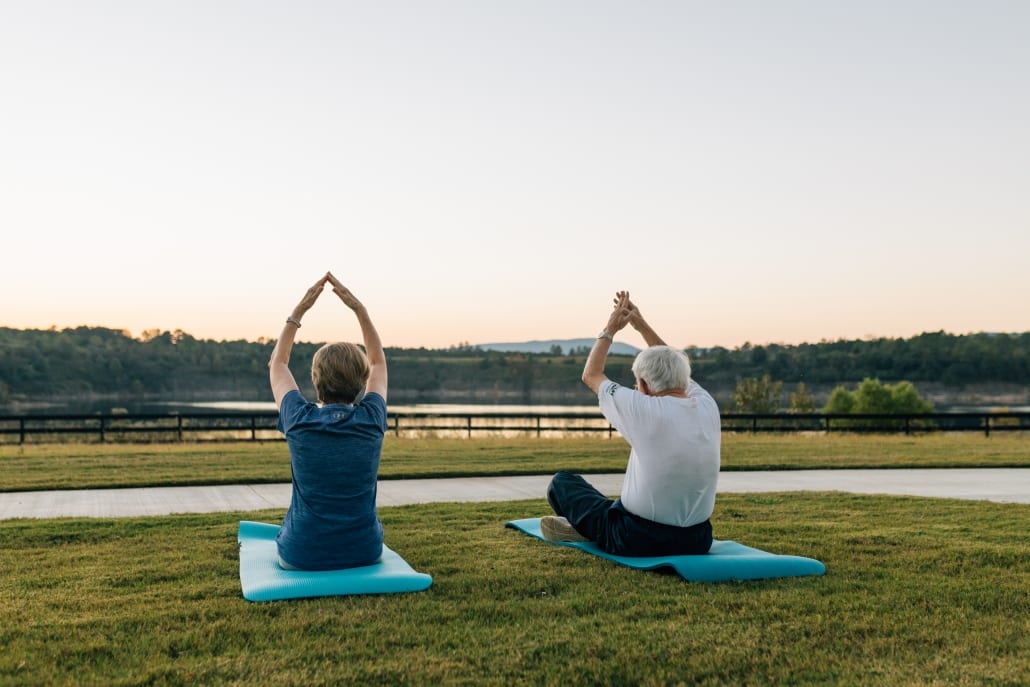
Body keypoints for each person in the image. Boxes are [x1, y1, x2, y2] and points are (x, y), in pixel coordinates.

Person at [541, 291, 721, 556]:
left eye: (637, 384)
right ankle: (592, 525)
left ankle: (586, 529)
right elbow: (673, 363)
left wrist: (611, 327)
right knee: (614, 506)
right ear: (683, 378)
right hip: (698, 539)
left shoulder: (643, 407)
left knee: (562, 483)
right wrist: (642, 326)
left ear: (644, 385)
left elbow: (591, 375)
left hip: (637, 538)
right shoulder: (707, 404)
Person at [268, 272, 389, 570]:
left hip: (301, 554)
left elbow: (278, 364)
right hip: (365, 552)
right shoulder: (372, 419)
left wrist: (298, 313)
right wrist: (360, 311)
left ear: (314, 378)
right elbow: (378, 363)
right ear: (362, 382)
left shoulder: (298, 419)